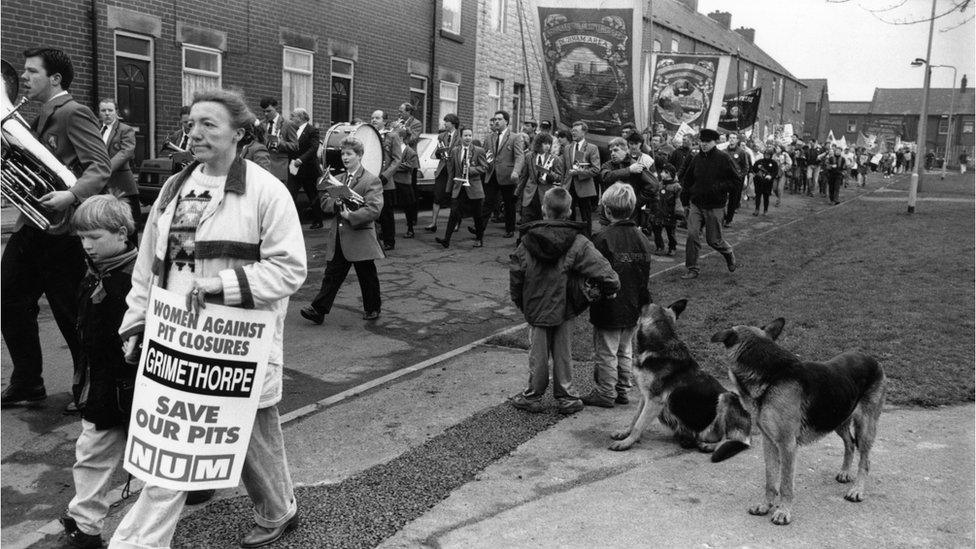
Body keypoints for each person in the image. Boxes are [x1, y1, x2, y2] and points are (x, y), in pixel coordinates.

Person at [111, 88, 307, 548]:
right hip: (177, 342)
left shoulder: (266, 192)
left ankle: (278, 510)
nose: (194, 132)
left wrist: (224, 285)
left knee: (255, 432)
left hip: (238, 344)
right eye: (191, 123)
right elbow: (148, 266)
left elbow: (290, 269)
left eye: (208, 124)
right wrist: (134, 322)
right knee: (174, 452)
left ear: (239, 133)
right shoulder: (174, 188)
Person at [1, 47, 111, 407]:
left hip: (62, 230)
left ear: (55, 79)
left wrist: (70, 195)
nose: (25, 78)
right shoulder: (36, 116)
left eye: (32, 72)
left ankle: (90, 388)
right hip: (33, 225)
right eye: (25, 71)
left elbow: (100, 166)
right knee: (9, 298)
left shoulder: (73, 113)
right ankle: (27, 381)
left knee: (68, 310)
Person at [57, 195, 139, 549]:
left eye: (95, 237)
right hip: (102, 385)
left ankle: (194, 487)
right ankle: (86, 526)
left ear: (122, 234)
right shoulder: (95, 273)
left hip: (136, 384)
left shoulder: (139, 277)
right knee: (91, 454)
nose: (87, 246)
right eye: (82, 238)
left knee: (151, 459)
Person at [509, 187, 620, 415]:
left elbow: (516, 276)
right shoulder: (578, 242)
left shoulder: (527, 241)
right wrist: (610, 287)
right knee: (563, 352)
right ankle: (567, 396)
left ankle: (533, 395)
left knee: (537, 354)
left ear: (543, 209)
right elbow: (604, 270)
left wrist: (522, 303)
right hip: (565, 305)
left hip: (536, 305)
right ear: (569, 211)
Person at [582, 183, 653, 408]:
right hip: (634, 303)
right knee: (625, 349)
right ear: (632, 208)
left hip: (609, 304)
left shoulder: (602, 238)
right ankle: (622, 388)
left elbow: (594, 272)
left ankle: (605, 391)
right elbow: (645, 272)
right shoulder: (641, 238)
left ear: (607, 210)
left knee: (606, 351)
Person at [301, 136, 385, 324]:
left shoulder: (371, 180)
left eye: (349, 154)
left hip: (360, 235)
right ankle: (318, 310)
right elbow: (324, 202)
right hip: (339, 235)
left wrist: (351, 216)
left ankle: (373, 308)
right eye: (342, 154)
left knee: (367, 275)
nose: (345, 157)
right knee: (332, 274)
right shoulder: (337, 179)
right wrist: (335, 203)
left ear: (359, 155)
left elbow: (374, 209)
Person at [679, 128, 738, 280]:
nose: (703, 144)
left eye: (707, 142)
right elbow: (687, 180)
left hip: (715, 205)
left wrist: (718, 187)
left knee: (713, 240)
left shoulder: (723, 158)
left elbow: (735, 181)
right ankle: (692, 269)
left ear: (714, 142)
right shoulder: (696, 158)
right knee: (692, 235)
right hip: (696, 204)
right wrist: (685, 201)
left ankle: (728, 252)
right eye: (701, 141)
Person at [98, 98, 141, 245]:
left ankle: (133, 254)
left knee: (129, 224)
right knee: (107, 222)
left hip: (123, 185)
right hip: (101, 184)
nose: (107, 114)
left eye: (110, 110)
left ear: (116, 112)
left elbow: (126, 152)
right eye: (103, 110)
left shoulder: (125, 129)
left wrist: (105, 169)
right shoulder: (95, 130)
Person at [436, 127, 488, 248]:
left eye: (470, 135)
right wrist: (449, 189)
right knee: (453, 213)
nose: (468, 138)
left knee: (477, 215)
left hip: (474, 188)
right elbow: (452, 171)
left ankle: (479, 239)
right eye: (465, 135)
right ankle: (446, 240)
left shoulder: (478, 151)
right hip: (459, 187)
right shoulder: (455, 151)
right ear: (461, 137)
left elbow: (484, 167)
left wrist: (471, 169)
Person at [478, 110, 524, 239]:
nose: (496, 121)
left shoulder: (515, 137)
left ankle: (509, 229)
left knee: (509, 203)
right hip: (491, 173)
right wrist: (484, 163)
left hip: (507, 175)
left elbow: (520, 156)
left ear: (506, 122)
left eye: (499, 119)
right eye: (495, 119)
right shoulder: (489, 137)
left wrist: (516, 171)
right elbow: (484, 153)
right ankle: (479, 228)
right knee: (488, 202)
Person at [277, 108, 323, 229]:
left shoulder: (312, 130)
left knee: (312, 194)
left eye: (293, 116)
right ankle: (289, 223)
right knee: (290, 194)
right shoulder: (291, 129)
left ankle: (318, 220)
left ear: (301, 117)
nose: (291, 118)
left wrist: (301, 159)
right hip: (293, 169)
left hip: (308, 169)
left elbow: (313, 148)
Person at [599, 137, 654, 226]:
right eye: (611, 151)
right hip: (608, 215)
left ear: (626, 150)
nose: (613, 154)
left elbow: (653, 186)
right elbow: (605, 176)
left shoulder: (635, 165)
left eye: (616, 150)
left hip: (629, 216)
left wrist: (635, 202)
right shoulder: (607, 165)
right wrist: (628, 171)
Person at [562, 121, 601, 236]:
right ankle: (570, 237)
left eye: (576, 131)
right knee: (569, 215)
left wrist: (579, 172)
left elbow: (596, 169)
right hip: (569, 186)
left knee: (586, 216)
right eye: (572, 130)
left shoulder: (592, 148)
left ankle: (587, 238)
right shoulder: (567, 148)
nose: (573, 133)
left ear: (584, 132)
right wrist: (562, 186)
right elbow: (564, 170)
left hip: (584, 187)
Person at [514, 132, 562, 224]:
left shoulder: (554, 158)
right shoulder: (529, 156)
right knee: (526, 222)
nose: (547, 146)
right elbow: (524, 176)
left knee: (542, 222)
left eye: (549, 143)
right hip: (529, 194)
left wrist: (549, 173)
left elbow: (559, 177)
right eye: (545, 143)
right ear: (538, 143)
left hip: (545, 194)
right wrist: (517, 192)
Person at [372, 109, 403, 250]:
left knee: (386, 214)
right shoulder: (369, 135)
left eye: (377, 118)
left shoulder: (392, 136)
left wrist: (386, 175)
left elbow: (397, 159)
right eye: (372, 117)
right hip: (370, 180)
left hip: (385, 181)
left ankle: (389, 241)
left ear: (384, 121)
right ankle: (374, 239)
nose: (374, 120)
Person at [427, 113, 461, 233]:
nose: (444, 124)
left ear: (453, 123)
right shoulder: (442, 136)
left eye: (446, 121)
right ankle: (433, 223)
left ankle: (455, 223)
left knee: (454, 197)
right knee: (437, 196)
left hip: (455, 170)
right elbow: (436, 153)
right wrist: (441, 152)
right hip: (443, 169)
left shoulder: (460, 136)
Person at [258, 97, 296, 183]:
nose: (265, 114)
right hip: (263, 166)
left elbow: (295, 146)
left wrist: (280, 143)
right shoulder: (261, 124)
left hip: (279, 169)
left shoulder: (288, 124)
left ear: (276, 108)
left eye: (268, 111)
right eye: (263, 111)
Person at [392, 126, 420, 238]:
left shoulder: (410, 152)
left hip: (404, 183)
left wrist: (393, 166)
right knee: (389, 206)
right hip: (393, 181)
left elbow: (408, 166)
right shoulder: (393, 150)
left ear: (401, 137)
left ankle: (410, 228)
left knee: (408, 207)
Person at [648, 162, 681, 255]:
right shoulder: (659, 185)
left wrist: (678, 212)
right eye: (662, 171)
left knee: (670, 232)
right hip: (658, 212)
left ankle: (672, 247)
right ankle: (659, 246)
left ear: (670, 174)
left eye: (665, 172)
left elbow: (678, 201)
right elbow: (653, 197)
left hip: (670, 214)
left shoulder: (676, 187)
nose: (661, 174)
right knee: (656, 230)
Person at [723, 133, 750, 227]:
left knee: (732, 200)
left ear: (737, 140)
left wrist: (740, 176)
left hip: (735, 180)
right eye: (730, 138)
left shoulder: (742, 152)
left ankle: (728, 220)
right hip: (724, 179)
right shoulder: (723, 151)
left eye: (734, 138)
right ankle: (723, 216)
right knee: (722, 199)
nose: (732, 139)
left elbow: (746, 167)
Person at [752, 148, 779, 216]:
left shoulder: (773, 163)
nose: (766, 156)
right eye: (765, 154)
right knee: (758, 195)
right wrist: (757, 172)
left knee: (766, 197)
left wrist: (771, 176)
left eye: (768, 155)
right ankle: (757, 209)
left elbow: (775, 172)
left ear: (771, 155)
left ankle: (765, 210)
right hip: (759, 181)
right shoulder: (759, 162)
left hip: (767, 182)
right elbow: (754, 169)